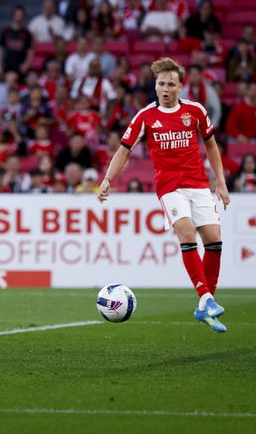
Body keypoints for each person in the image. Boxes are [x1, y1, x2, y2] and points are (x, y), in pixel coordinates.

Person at [98, 57, 231, 333]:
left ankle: (206, 303)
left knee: (214, 240)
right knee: (186, 231)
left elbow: (212, 145)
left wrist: (221, 182)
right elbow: (124, 150)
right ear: (155, 86)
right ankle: (205, 298)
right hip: (170, 187)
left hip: (198, 184)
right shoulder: (145, 117)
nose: (165, 89)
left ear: (181, 86)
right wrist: (108, 179)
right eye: (161, 83)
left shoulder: (194, 111)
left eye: (171, 84)